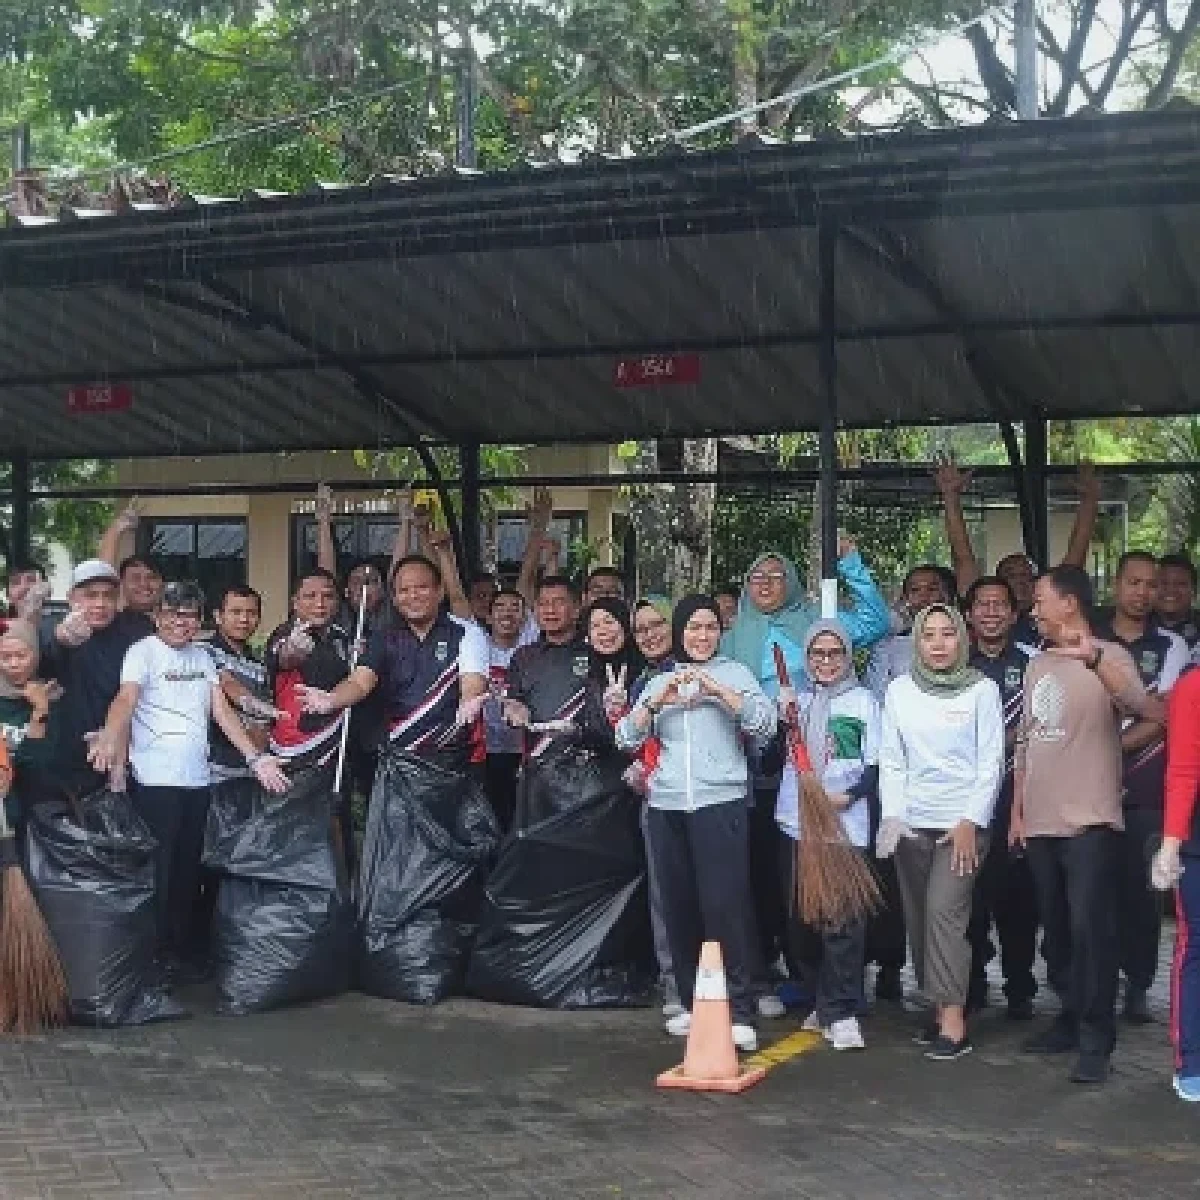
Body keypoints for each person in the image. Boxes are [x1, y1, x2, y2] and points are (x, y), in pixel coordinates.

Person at [723, 540, 890, 1014]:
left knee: (838, 901)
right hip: (757, 774)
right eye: (757, 577)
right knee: (783, 890)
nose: (765, 585)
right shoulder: (733, 636)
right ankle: (796, 978)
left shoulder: (819, 625)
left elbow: (876, 622)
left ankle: (842, 993)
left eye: (776, 576)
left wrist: (851, 564)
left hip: (826, 789)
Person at [87, 581, 288, 974]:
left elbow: (222, 712)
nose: (181, 623)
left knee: (187, 872)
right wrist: (110, 737)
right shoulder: (142, 652)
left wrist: (256, 757)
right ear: (157, 616)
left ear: (200, 620)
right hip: (154, 781)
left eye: (190, 616)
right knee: (158, 874)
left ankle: (177, 956)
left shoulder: (202, 658)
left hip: (197, 780)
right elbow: (125, 699)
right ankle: (151, 959)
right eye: (173, 614)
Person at [1012, 565, 1162, 1086]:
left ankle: (1097, 1040)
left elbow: (1145, 708)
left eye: (1040, 600)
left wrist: (1095, 662)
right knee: (1055, 933)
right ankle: (1070, 1018)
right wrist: (1017, 812)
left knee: (1090, 931)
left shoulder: (1110, 655)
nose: (1034, 609)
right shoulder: (1037, 664)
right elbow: (1026, 739)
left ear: (1069, 603)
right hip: (1040, 821)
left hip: (1091, 822)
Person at [615, 594, 777, 1053]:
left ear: (719, 632)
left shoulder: (736, 674)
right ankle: (690, 1003)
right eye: (693, 628)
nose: (701, 636)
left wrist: (718, 693)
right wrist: (655, 704)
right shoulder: (659, 680)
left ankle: (739, 1010)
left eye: (709, 627)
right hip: (667, 806)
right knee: (679, 907)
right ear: (679, 633)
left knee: (725, 908)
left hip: (720, 803)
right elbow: (624, 737)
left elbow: (765, 726)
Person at [878, 603, 1004, 1061]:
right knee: (918, 918)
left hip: (961, 826)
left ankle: (954, 1022)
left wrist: (971, 820)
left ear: (962, 638)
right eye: (928, 634)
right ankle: (937, 1008)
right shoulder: (899, 691)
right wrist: (893, 817)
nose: (938, 643)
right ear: (916, 641)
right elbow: (892, 759)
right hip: (911, 823)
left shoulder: (982, 690)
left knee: (944, 913)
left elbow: (991, 763)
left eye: (947, 633)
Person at [1094, 551, 1188, 1022]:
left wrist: (1106, 747)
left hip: (1146, 788)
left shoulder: (1172, 646)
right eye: (1134, 582)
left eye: (1151, 585)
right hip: (1091, 791)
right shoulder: (1091, 639)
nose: (1143, 592)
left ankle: (1137, 984)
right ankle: (1097, 983)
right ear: (1116, 585)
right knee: (1095, 892)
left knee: (1141, 897)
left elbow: (1164, 714)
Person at [778, 619, 880, 1051]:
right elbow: (771, 759)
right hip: (795, 824)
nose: (826, 661)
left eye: (834, 653)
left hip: (844, 828)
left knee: (843, 924)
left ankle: (842, 1010)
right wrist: (782, 719)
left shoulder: (864, 702)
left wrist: (850, 796)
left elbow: (875, 765)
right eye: (817, 653)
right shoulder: (795, 701)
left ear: (847, 656)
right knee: (803, 923)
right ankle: (819, 999)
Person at [296, 555, 489, 771]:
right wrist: (332, 699)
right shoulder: (384, 638)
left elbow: (472, 684)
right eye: (404, 590)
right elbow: (359, 682)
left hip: (453, 762)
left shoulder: (466, 632)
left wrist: (469, 701)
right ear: (395, 599)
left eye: (422, 587)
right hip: (398, 761)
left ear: (440, 591)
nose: (413, 596)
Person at [963, 577, 1040, 1021]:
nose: (991, 612)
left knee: (1018, 899)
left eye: (999, 605)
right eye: (982, 604)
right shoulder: (957, 663)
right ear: (968, 614)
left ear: (1014, 614)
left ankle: (1020, 987)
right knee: (969, 897)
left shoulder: (1033, 662)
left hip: (1017, 791)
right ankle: (971, 985)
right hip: (968, 796)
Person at [936, 460, 1101, 647]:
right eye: (1011, 576)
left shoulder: (1050, 616)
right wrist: (950, 497)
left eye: (1027, 576)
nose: (1020, 581)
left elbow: (1074, 561)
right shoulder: (987, 615)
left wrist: (1089, 501)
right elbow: (963, 557)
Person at [41, 560, 158, 796]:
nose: (100, 604)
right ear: (71, 598)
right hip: (65, 760)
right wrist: (61, 640)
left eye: (108, 595)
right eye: (90, 595)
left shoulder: (136, 630)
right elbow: (44, 658)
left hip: (126, 756)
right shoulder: (52, 627)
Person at [1150, 663, 1200, 1101]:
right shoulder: (1193, 686)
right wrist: (1169, 847)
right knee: (1195, 947)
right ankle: (1192, 1060)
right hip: (1197, 846)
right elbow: (1183, 770)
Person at [629, 595, 681, 1016]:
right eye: (640, 629)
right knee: (664, 895)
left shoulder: (698, 671)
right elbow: (632, 740)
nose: (649, 635)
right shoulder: (639, 682)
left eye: (656, 624)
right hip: (657, 799)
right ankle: (675, 984)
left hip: (708, 800)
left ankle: (737, 983)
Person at [199, 584, 276, 785]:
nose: (244, 619)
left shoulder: (259, 665)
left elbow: (263, 722)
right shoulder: (203, 652)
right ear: (218, 616)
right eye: (236, 612)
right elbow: (229, 686)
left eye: (251, 613)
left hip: (252, 770)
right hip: (212, 770)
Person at [0, 619, 61, 847]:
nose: (13, 664)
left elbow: (38, 764)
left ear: (35, 656)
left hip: (35, 819)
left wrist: (40, 710)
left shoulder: (52, 696)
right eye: (5, 657)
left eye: (21, 655)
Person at [866, 564, 955, 702]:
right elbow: (877, 693)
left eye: (932, 589)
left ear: (945, 596)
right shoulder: (891, 643)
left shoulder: (959, 640)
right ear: (905, 599)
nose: (924, 597)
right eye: (915, 590)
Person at [1156, 553, 1200, 650]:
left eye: (1180, 584)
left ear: (1194, 591)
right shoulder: (1137, 623)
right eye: (1164, 583)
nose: (1171, 590)